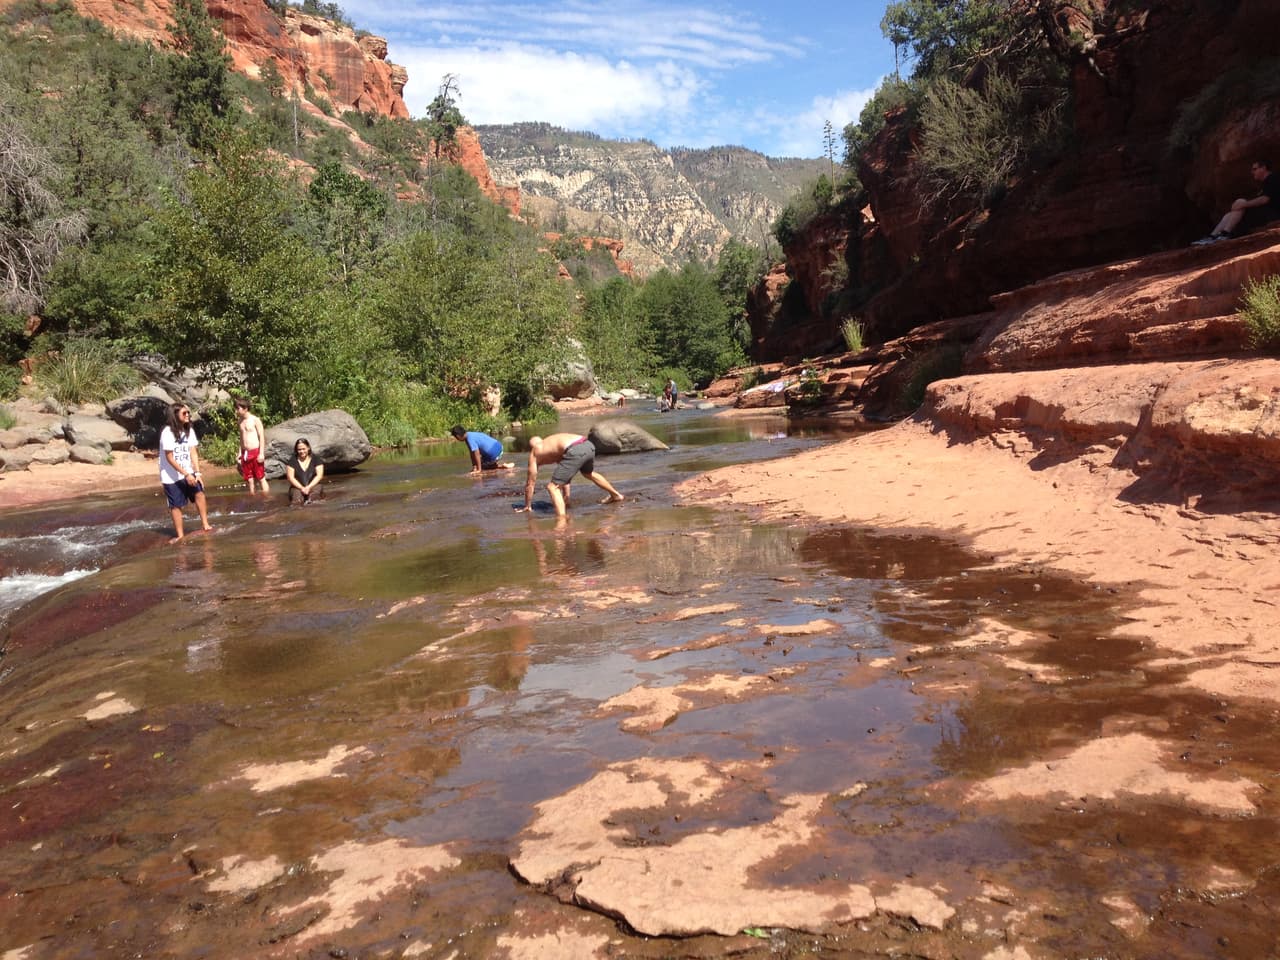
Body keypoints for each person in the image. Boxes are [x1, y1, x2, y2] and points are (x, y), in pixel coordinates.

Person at [518, 432, 624, 517]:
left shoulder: (535, 452)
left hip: (575, 449)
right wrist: (566, 497)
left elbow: (530, 484)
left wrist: (528, 505)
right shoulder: (551, 444)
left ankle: (562, 521)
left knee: (552, 487)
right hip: (588, 444)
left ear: (531, 447)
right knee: (588, 473)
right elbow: (565, 475)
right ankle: (616, 495)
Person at [1193, 159, 1280, 245]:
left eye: (1255, 169)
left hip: (1273, 214)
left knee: (1241, 202)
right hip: (1265, 213)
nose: (1252, 172)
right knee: (1230, 213)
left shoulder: (1272, 178)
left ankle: (1225, 234)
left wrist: (1244, 204)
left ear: (1263, 168)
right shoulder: (1265, 182)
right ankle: (1213, 236)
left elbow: (1265, 199)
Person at [159, 402, 212, 542]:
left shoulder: (189, 430)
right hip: (171, 476)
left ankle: (205, 524)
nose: (188, 415)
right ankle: (180, 534)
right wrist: (186, 474)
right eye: (184, 413)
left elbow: (193, 452)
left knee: (199, 493)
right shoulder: (167, 433)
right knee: (176, 505)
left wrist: (197, 473)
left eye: (188, 412)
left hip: (188, 470)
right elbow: (169, 458)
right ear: (175, 415)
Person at [234, 396, 269, 494]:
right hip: (245, 453)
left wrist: (261, 453)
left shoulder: (255, 420)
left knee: (261, 477)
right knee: (249, 479)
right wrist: (239, 453)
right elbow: (241, 438)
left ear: (245, 408)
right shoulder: (240, 421)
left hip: (255, 451)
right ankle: (252, 498)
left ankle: (267, 499)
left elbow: (261, 436)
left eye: (238, 408)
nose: (236, 410)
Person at [285, 437, 325, 505]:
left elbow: (319, 476)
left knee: (314, 499)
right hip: (297, 487)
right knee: (296, 501)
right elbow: (290, 478)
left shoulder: (316, 459)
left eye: (304, 449)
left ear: (308, 448)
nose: (302, 451)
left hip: (314, 485)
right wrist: (301, 488)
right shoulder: (292, 461)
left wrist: (309, 487)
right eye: (299, 449)